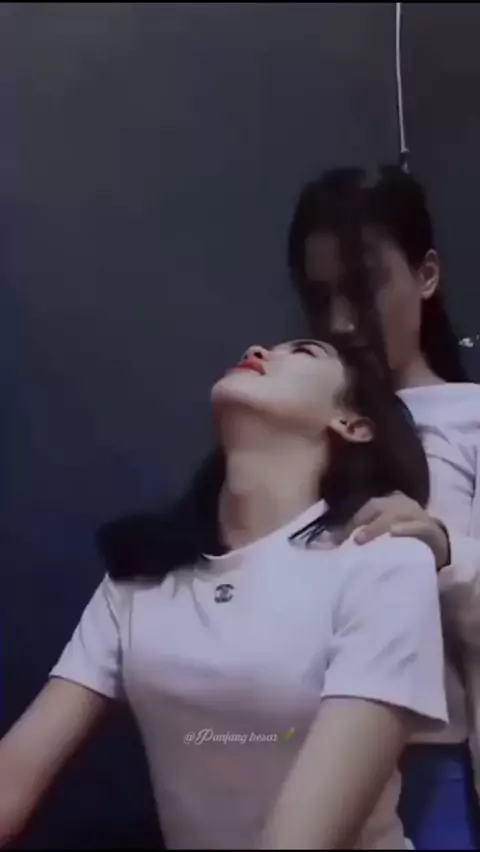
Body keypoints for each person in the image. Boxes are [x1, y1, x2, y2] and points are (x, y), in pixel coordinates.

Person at [0, 334, 446, 850]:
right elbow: (15, 775)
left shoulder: (384, 560)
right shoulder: (146, 570)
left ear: (352, 422)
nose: (260, 349)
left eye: (303, 352)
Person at [288, 164, 480, 849]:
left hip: (432, 763)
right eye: (320, 298)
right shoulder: (292, 415)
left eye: (364, 286)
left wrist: (447, 550)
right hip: (295, 747)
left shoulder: (469, 417)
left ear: (426, 275)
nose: (342, 323)